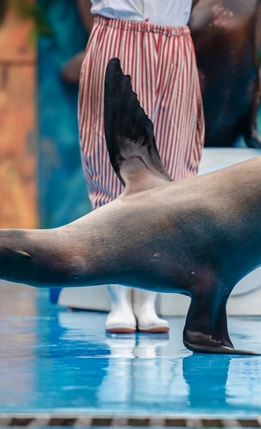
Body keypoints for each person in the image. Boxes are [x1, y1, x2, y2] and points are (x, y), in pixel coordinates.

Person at [78, 0, 205, 334]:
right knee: (110, 162)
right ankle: (119, 300)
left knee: (171, 166)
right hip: (118, 30)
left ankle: (148, 299)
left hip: (175, 39)